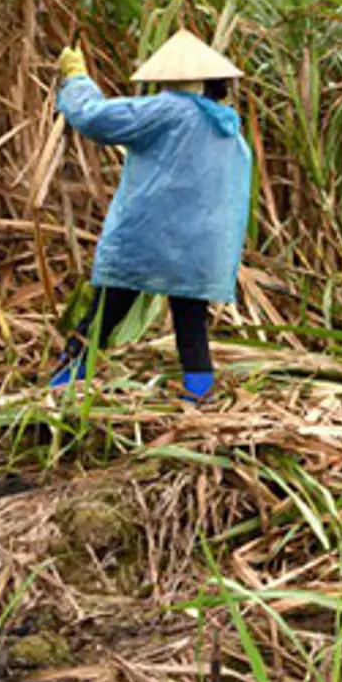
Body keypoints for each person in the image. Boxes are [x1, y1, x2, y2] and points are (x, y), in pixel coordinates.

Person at [48, 29, 253, 403]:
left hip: (147, 241)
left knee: (102, 316)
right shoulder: (227, 127)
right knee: (191, 325)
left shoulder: (169, 108)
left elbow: (94, 119)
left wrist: (76, 79)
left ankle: (60, 388)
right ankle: (199, 397)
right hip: (198, 250)